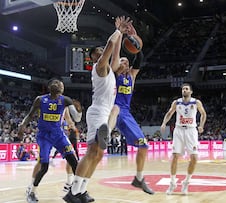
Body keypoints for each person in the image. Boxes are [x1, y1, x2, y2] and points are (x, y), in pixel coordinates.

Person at [63, 16, 131, 203]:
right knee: (91, 152)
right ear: (94, 56)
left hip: (104, 113)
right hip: (98, 112)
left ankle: (82, 190)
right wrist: (117, 30)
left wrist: (122, 35)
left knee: (99, 154)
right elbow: (110, 45)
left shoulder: (110, 70)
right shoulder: (100, 67)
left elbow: (115, 52)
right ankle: (73, 192)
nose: (104, 53)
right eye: (100, 52)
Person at [107, 20, 154, 195]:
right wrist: (120, 35)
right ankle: (105, 132)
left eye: (126, 61)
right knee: (115, 109)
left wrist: (133, 37)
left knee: (144, 145)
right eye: (122, 61)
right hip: (112, 110)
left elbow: (139, 58)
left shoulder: (132, 77)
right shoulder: (113, 75)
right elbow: (114, 55)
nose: (124, 63)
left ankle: (139, 178)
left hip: (126, 114)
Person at [18, 78, 82, 203]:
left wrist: (79, 110)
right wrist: (22, 125)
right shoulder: (40, 99)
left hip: (59, 135)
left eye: (59, 83)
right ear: (48, 87)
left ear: (62, 89)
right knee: (44, 166)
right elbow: (30, 115)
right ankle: (32, 192)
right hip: (44, 137)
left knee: (74, 162)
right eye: (54, 82)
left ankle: (76, 191)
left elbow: (77, 118)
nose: (57, 83)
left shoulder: (66, 100)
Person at [160, 83, 207, 195]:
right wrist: (164, 123)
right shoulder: (177, 102)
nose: (184, 90)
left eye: (186, 89)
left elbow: (203, 114)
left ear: (191, 92)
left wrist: (201, 125)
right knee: (175, 156)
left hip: (191, 130)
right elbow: (169, 113)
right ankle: (172, 183)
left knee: (194, 158)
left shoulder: (196, 102)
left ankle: (186, 182)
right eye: (183, 89)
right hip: (179, 130)